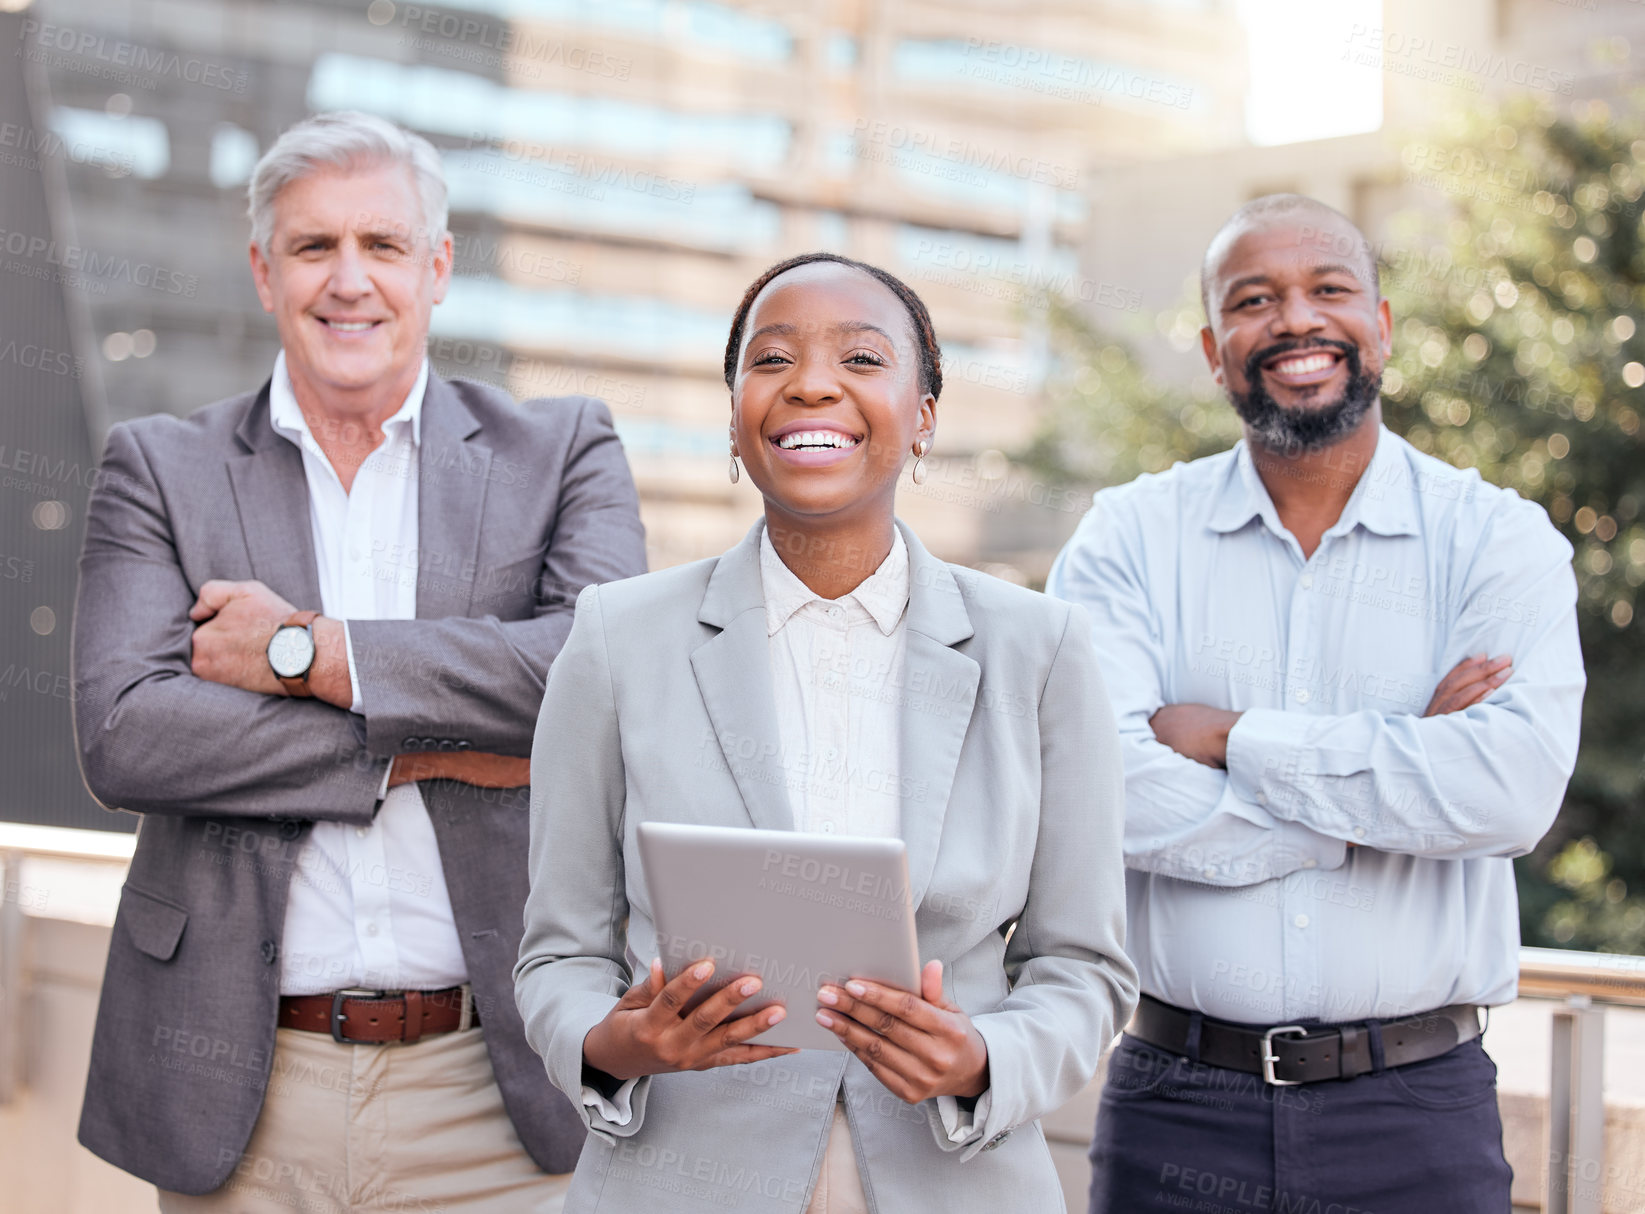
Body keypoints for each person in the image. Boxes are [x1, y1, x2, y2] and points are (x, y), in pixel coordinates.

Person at [71, 110, 647, 1212]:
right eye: (313, 245)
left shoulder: (562, 449)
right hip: (235, 1088)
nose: (349, 280)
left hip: (497, 1087)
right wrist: (423, 753)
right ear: (262, 271)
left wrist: (305, 649)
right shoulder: (158, 466)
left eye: (382, 246)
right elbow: (127, 734)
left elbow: (592, 675)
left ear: (436, 270)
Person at [514, 251, 1138, 1213]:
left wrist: (983, 1056)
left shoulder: (1040, 649)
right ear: (733, 418)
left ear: (923, 415)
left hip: (954, 1179)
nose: (811, 384)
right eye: (770, 361)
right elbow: (560, 952)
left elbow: (1081, 964)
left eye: (859, 357)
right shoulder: (616, 639)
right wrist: (616, 1044)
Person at [1047, 194, 1586, 1213]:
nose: (1295, 319)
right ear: (1213, 350)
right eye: (1254, 299)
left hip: (1416, 1113)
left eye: (1328, 289)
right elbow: (1093, 792)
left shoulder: (1496, 541)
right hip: (1176, 1105)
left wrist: (1230, 735)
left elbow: (1506, 795)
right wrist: (1388, 781)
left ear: (1380, 324)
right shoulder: (1126, 537)